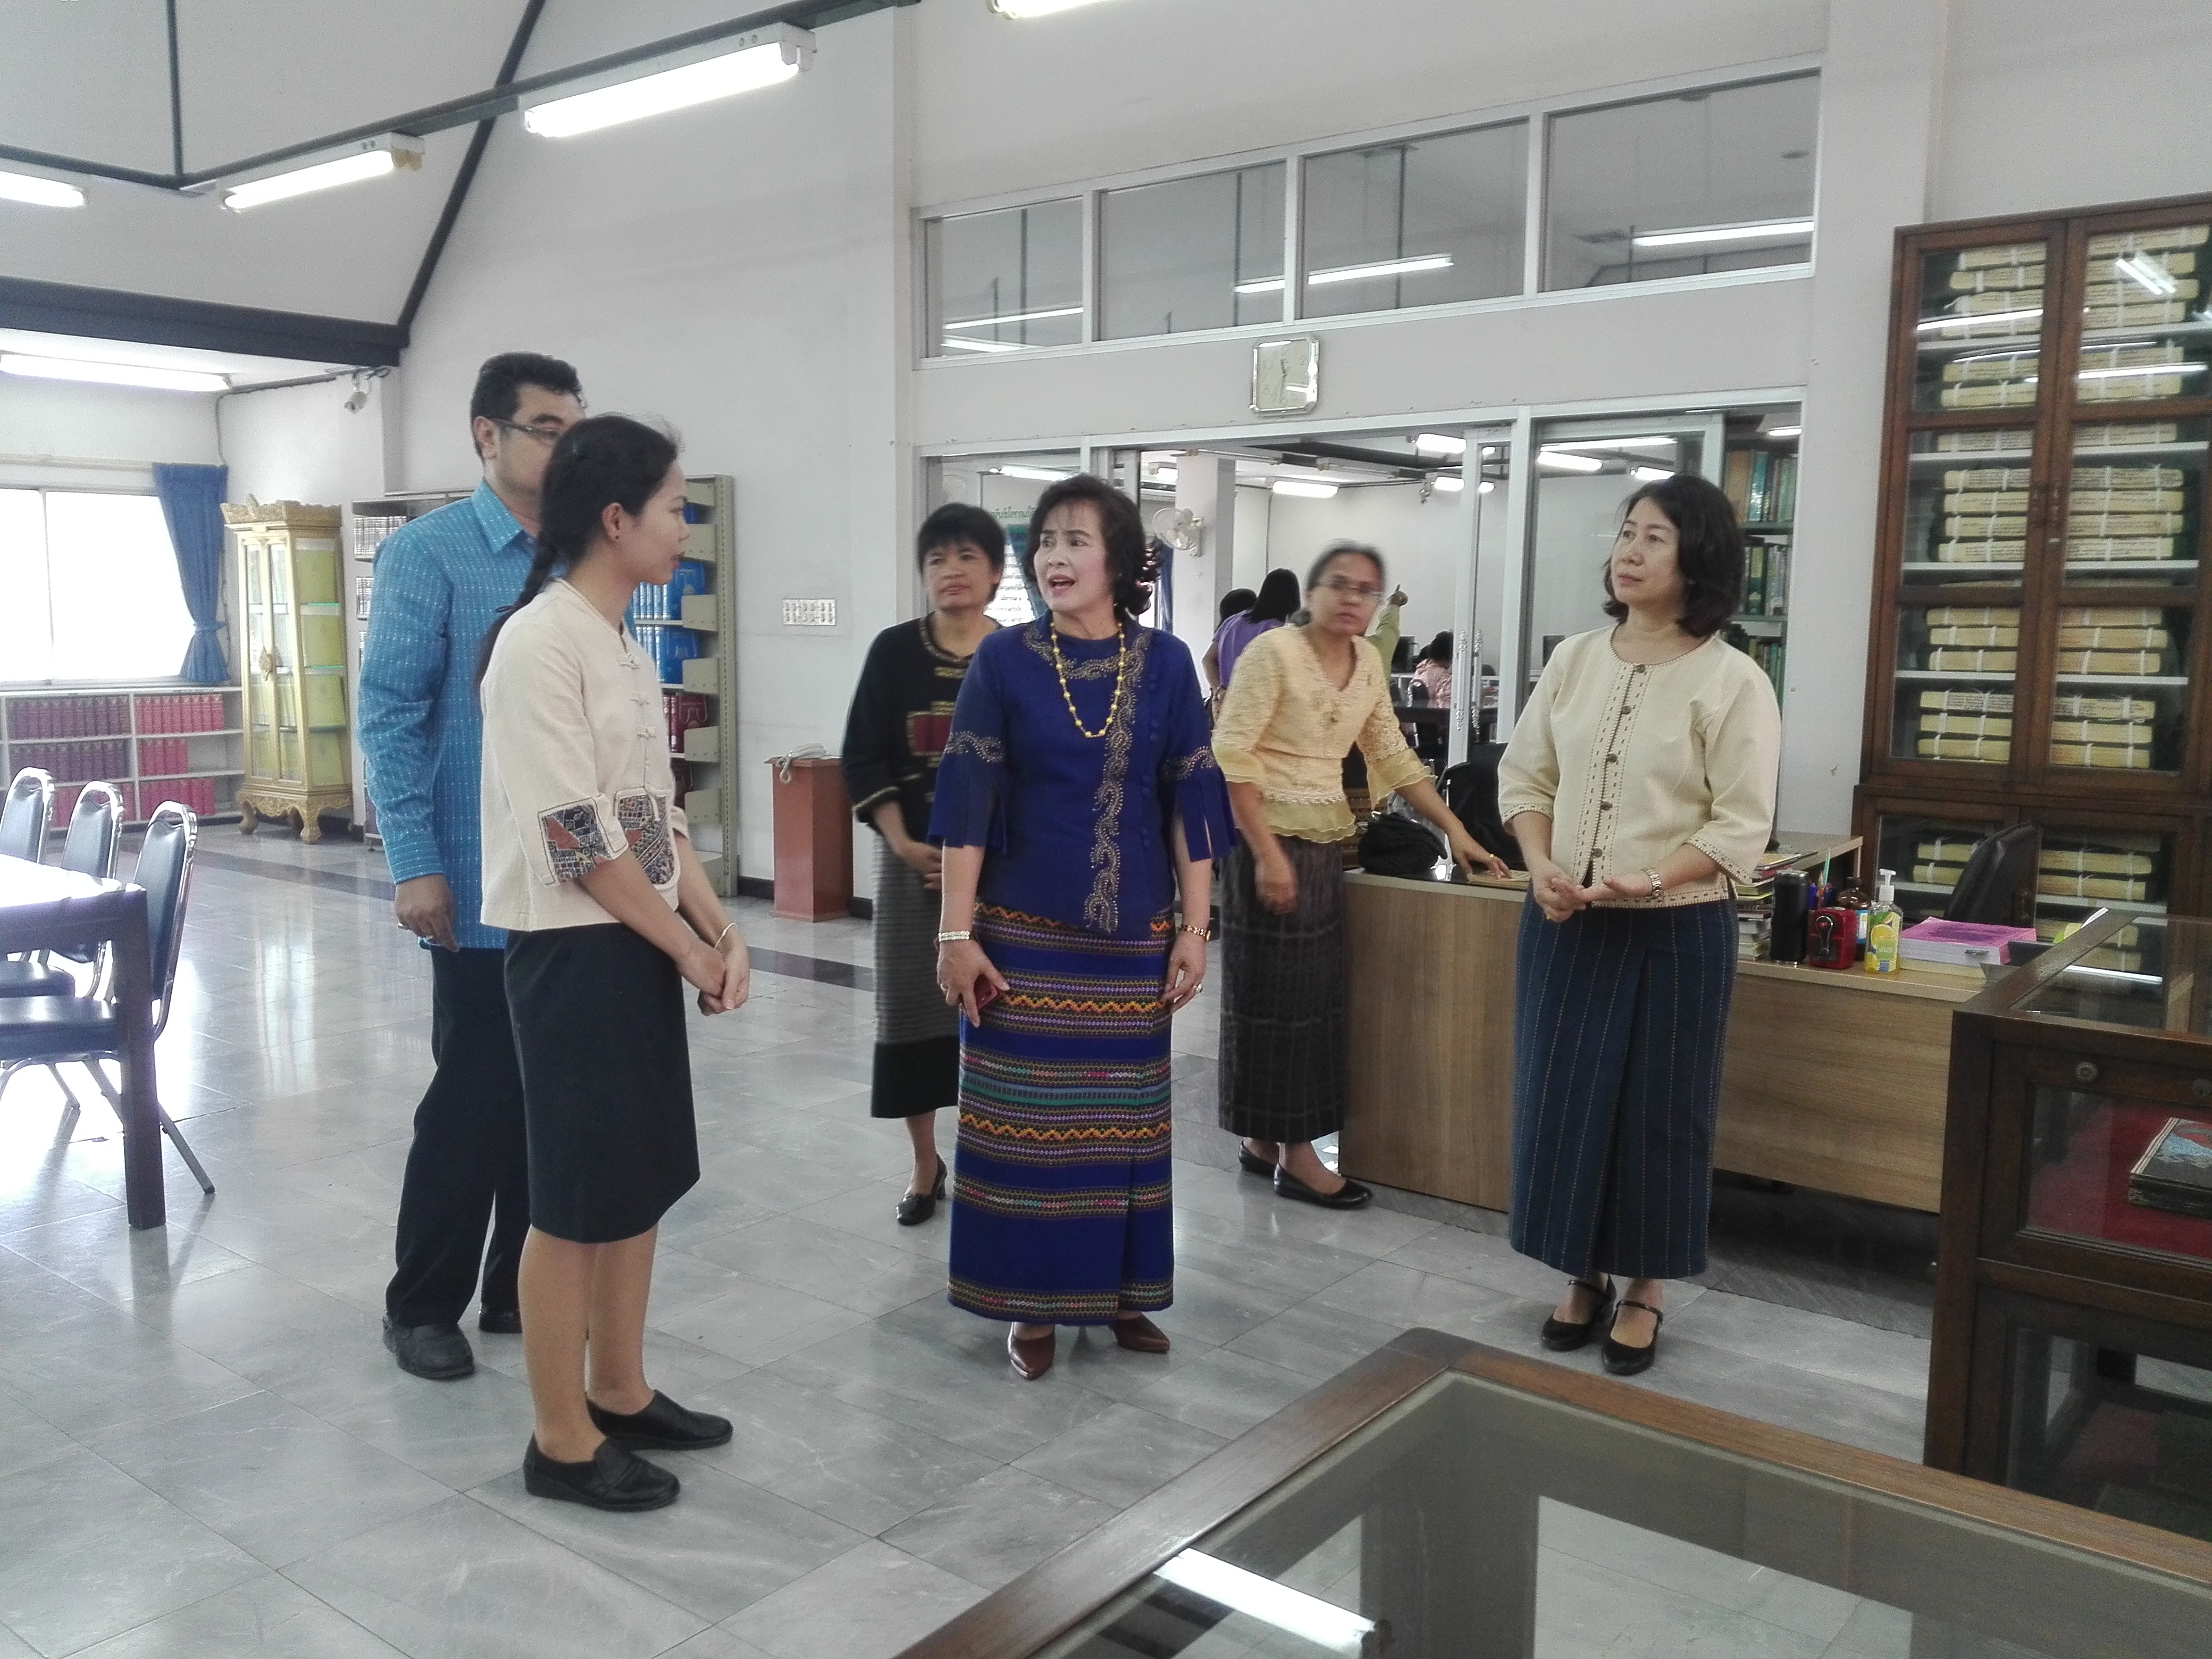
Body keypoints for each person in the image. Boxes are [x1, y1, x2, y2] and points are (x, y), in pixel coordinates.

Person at [477, 414, 750, 1512]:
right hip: (570, 953)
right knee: (574, 1200)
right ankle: (559, 1440)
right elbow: (576, 840)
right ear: (615, 519)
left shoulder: (626, 648)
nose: (685, 527)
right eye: (675, 508)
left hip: (632, 941)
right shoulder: (539, 643)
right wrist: (685, 946)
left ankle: (620, 1390)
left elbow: (652, 821)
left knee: (633, 1182)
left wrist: (719, 929)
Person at [932, 474, 1233, 1382]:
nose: (1054, 559)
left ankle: (1122, 1292)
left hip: (1134, 939)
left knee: (1122, 1128)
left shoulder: (1169, 664)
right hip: (1020, 940)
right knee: (1026, 1127)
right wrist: (954, 935)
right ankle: (1030, 1303)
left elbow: (1192, 798)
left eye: (1076, 541)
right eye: (1045, 542)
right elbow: (968, 802)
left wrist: (1195, 927)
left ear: (1120, 560)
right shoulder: (1003, 661)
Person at [1497, 474, 1780, 1377]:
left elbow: (1740, 827)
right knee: (1564, 1099)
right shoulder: (1575, 660)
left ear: (1699, 558)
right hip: (1565, 920)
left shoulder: (1733, 680)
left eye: (1655, 537)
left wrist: (1649, 879)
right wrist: (1540, 863)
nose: (1631, 551)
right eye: (1627, 533)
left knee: (1661, 1110)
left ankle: (1647, 1286)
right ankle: (1582, 1274)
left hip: (1677, 928)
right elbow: (1527, 778)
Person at [359, 351, 584, 1382]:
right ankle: (421, 1304)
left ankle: (514, 1291)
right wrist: (415, 862)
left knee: (552, 1103)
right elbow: (391, 714)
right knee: (475, 1099)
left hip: (572, 884)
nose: (563, 446)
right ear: (486, 437)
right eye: (545, 428)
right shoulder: (430, 553)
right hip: (475, 881)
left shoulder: (584, 551)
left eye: (573, 428)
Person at [1212, 543, 1505, 1208]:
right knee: (1277, 1002)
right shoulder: (1272, 653)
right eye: (1338, 585)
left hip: (1322, 844)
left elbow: (1391, 754)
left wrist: (1454, 829)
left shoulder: (1368, 662)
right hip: (1265, 843)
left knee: (1303, 999)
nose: (1352, 599)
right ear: (1310, 593)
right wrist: (1266, 855)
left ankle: (1261, 1140)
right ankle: (1297, 1158)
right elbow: (1231, 756)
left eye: (1366, 590)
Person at [840, 505, 1003, 1224]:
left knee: (998, 1017)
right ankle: (924, 1163)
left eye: (967, 557)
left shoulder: (1021, 654)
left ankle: (993, 1161)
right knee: (913, 1014)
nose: (951, 570)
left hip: (1003, 874)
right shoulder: (893, 652)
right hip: (911, 868)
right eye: (937, 559)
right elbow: (863, 754)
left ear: (995, 573)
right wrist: (904, 843)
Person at [1203, 568, 1300, 702]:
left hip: (1225, 702)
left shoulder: (1232, 621)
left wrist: (1219, 690)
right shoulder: (1275, 630)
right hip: (1255, 702)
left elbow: (1207, 660)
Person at [1412, 630, 1454, 706]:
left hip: (1420, 710)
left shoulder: (1421, 668)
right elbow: (1446, 703)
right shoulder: (1443, 676)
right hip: (1434, 711)